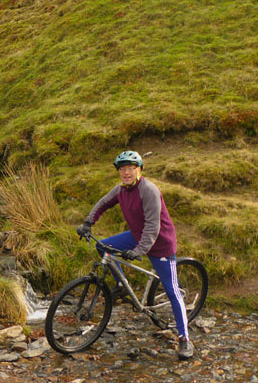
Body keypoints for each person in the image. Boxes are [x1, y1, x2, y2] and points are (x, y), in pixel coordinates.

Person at [77, 150, 195, 360]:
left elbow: (152, 225)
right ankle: (121, 286)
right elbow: (103, 203)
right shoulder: (120, 190)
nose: (126, 172)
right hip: (137, 236)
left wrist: (139, 250)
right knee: (103, 246)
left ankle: (184, 339)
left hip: (160, 244)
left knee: (172, 291)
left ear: (139, 170)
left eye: (130, 168)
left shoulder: (148, 190)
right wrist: (88, 223)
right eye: (122, 169)